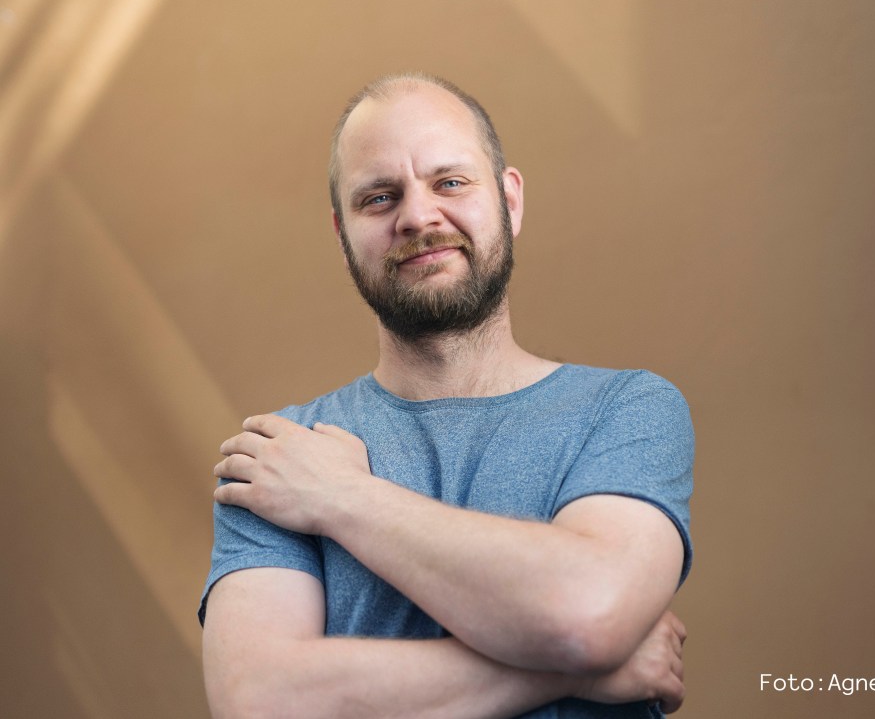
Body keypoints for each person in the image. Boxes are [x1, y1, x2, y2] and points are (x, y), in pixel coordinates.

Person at [199, 72, 694, 719]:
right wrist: (572, 671)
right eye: (380, 197)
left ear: (510, 200)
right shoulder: (277, 454)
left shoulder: (626, 408)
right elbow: (259, 702)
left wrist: (340, 496)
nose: (417, 216)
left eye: (450, 182)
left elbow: (587, 614)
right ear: (342, 236)